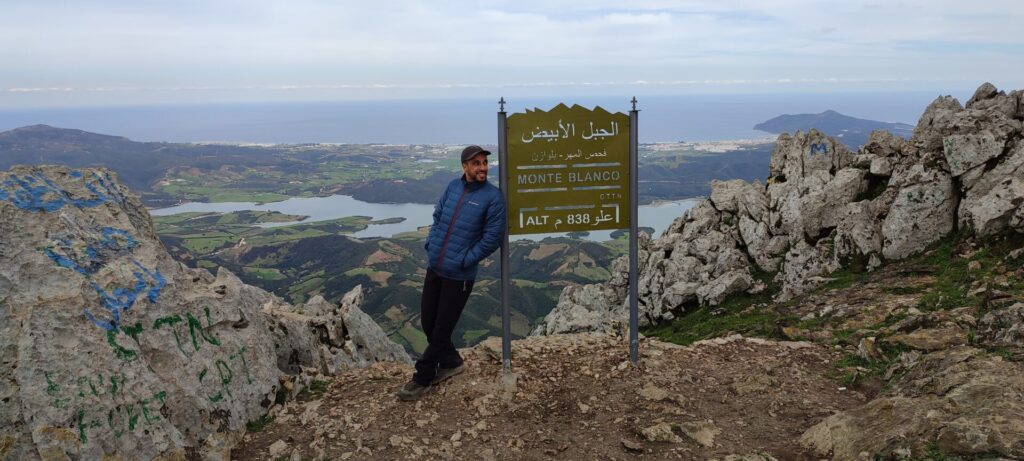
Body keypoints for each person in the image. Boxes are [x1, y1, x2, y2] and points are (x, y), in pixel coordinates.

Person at [397, 145, 506, 401]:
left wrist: (465, 260)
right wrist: (431, 245)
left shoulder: (493, 197)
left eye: (484, 163)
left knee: (441, 330)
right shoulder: (452, 187)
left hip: (460, 276)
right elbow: (438, 216)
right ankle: (453, 361)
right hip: (436, 266)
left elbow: (492, 238)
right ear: (465, 166)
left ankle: (422, 378)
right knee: (427, 321)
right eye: (476, 163)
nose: (482, 168)